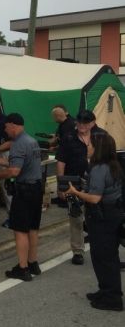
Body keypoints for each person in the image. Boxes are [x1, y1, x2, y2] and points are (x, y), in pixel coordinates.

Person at [64, 132, 123, 311]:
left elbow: (95, 198)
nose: (87, 148)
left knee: (104, 258)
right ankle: (106, 291)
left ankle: (112, 299)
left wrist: (75, 192)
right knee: (107, 257)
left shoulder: (99, 169)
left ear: (98, 149)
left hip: (102, 217)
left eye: (90, 145)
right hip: (113, 215)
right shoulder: (113, 165)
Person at [0, 113, 43, 281]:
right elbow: (16, 163)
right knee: (32, 228)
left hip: (25, 190)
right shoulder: (31, 141)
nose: (5, 130)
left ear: (13, 125)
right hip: (37, 188)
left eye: (6, 127)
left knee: (20, 230)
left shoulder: (18, 144)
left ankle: (22, 268)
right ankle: (32, 263)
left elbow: (14, 171)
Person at [56, 110, 106, 266]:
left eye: (84, 123)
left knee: (98, 216)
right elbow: (61, 161)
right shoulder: (69, 137)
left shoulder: (102, 136)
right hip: (73, 183)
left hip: (97, 182)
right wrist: (61, 184)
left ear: (92, 123)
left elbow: (110, 158)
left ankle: (100, 246)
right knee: (75, 217)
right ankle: (77, 251)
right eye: (78, 123)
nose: (81, 126)